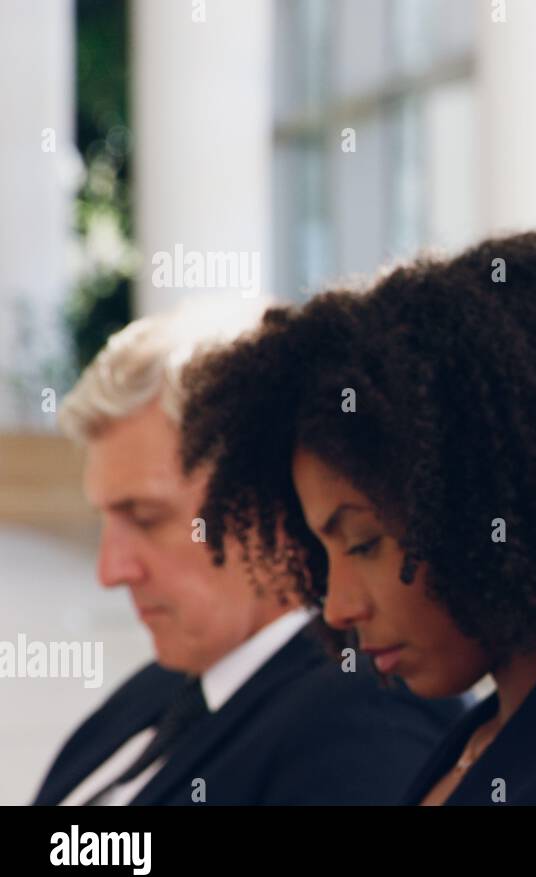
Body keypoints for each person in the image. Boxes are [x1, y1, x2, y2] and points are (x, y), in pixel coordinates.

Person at [180, 232, 536, 805]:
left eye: (362, 543)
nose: (337, 606)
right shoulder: (498, 729)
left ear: (493, 510)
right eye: (322, 552)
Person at [33, 298, 463, 806]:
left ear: (266, 504)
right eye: (103, 520)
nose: (111, 570)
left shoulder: (366, 717)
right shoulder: (170, 685)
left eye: (146, 519)